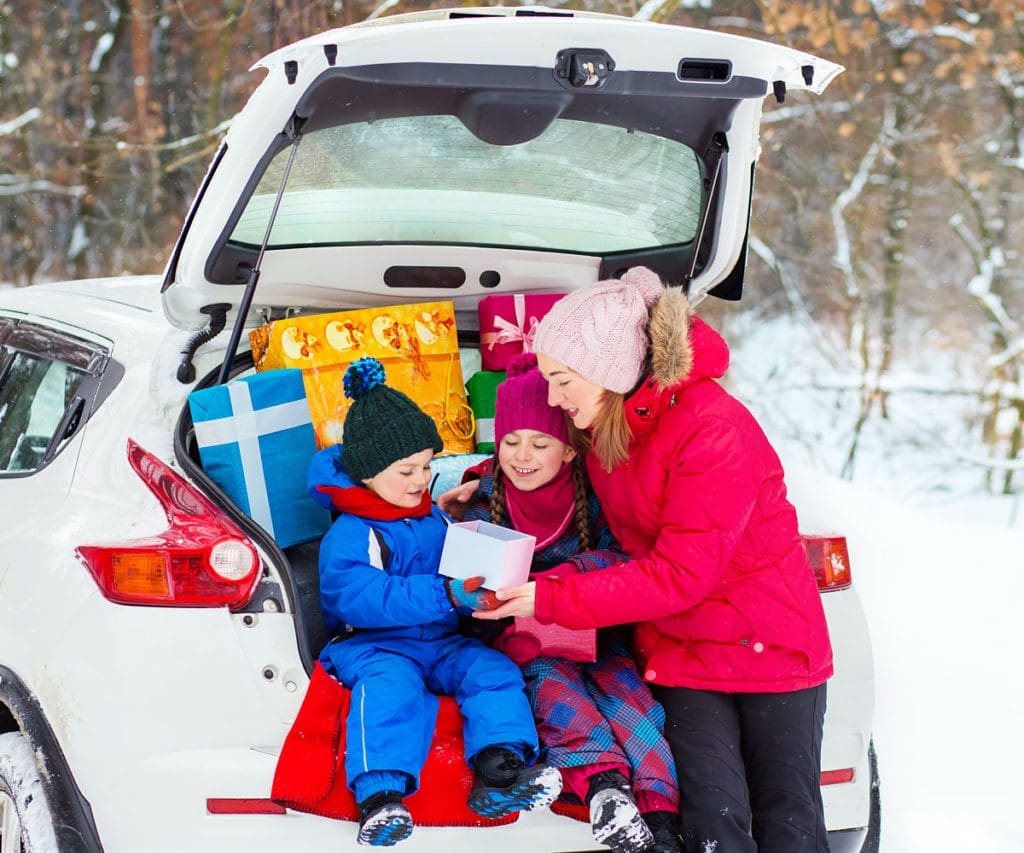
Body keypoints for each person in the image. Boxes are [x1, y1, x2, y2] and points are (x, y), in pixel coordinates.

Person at [469, 268, 835, 853]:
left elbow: (681, 572)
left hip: (768, 644)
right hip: (681, 648)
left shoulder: (712, 429)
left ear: (609, 371)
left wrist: (551, 598)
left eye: (562, 381)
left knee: (786, 823)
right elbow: (540, 460)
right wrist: (475, 482)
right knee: (713, 825)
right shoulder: (608, 421)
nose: (555, 398)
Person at [308, 356, 561, 847]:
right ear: (367, 473)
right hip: (373, 646)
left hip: (442, 641)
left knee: (492, 671)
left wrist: (482, 591)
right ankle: (380, 799)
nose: (421, 479)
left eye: (426, 466)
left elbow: (457, 577)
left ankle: (499, 773)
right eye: (406, 470)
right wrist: (446, 593)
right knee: (390, 688)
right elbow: (360, 597)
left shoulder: (435, 519)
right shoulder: (352, 532)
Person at [459, 353, 682, 853]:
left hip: (596, 635)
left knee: (634, 707)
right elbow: (461, 580)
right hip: (528, 643)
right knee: (558, 696)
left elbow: (621, 558)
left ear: (570, 451)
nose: (523, 455)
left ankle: (662, 818)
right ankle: (606, 789)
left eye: (540, 443)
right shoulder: (485, 497)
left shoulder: (594, 495)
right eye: (511, 442)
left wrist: (566, 578)